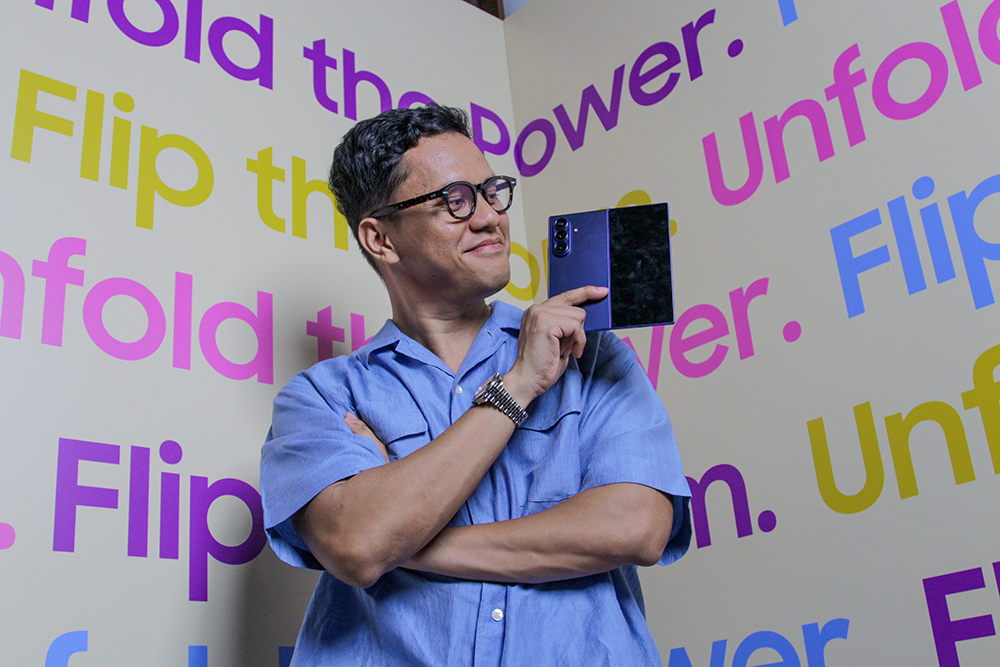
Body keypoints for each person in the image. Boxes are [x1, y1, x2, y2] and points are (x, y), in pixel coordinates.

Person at [260, 104, 691, 666]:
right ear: (381, 239)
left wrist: (407, 544)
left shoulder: (589, 352)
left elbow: (636, 527)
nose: (490, 217)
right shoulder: (322, 397)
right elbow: (358, 544)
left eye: (492, 192)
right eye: (454, 200)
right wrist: (518, 386)